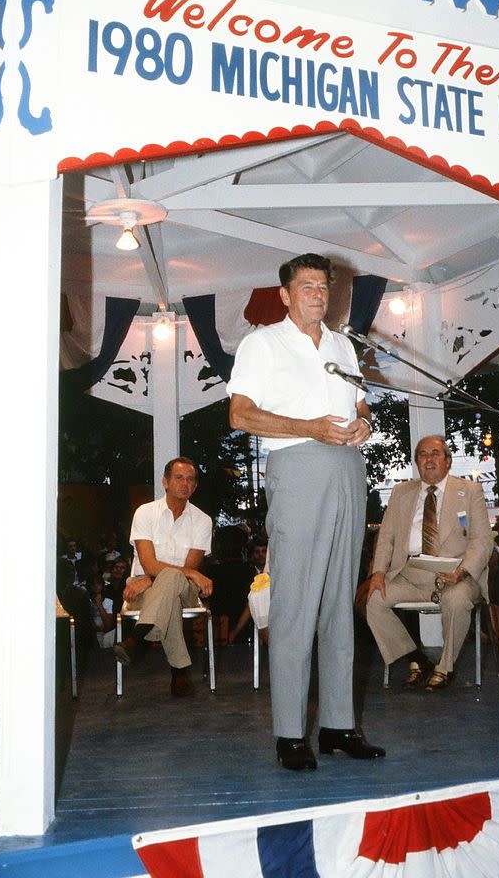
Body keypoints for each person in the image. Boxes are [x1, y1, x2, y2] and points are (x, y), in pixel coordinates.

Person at [227, 252, 384, 770]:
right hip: (296, 466)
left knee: (341, 600)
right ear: (286, 295)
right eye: (308, 286)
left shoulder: (342, 344)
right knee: (295, 603)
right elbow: (241, 414)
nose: (318, 293)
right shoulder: (262, 342)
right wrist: (308, 428)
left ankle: (338, 725)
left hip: (347, 468)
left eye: (324, 286)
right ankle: (290, 734)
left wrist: (362, 423)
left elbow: (359, 403)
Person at [365, 435, 492, 690]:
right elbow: (386, 537)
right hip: (410, 575)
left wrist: (462, 571)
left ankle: (445, 667)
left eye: (435, 453)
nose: (429, 459)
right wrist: (378, 572)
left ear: (448, 461)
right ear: (416, 462)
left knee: (456, 600)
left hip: (455, 576)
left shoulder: (469, 492)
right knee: (373, 601)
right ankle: (416, 657)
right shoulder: (401, 492)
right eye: (423, 454)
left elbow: (482, 541)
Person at [113, 457, 213, 697]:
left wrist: (154, 577)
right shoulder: (145, 513)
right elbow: (149, 563)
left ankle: (139, 638)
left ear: (195, 486)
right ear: (165, 482)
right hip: (140, 588)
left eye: (190, 480)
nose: (185, 483)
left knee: (171, 580)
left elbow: (186, 570)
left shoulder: (203, 520)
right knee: (167, 592)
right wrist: (184, 573)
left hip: (183, 589)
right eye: (179, 478)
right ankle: (179, 674)